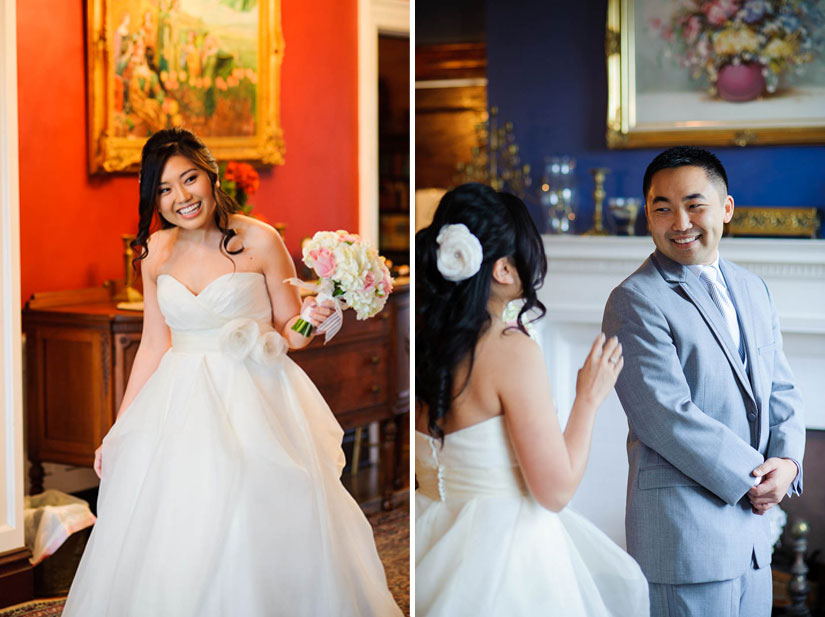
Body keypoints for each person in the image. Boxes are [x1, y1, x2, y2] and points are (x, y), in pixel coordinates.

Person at [62, 128, 402, 617]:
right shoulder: (155, 253)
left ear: (210, 173)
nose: (180, 197)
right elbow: (155, 345)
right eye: (163, 189)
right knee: (177, 522)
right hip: (178, 404)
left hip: (256, 397)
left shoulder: (261, 240)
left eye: (189, 179)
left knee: (251, 511)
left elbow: (290, 331)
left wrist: (322, 313)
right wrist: (118, 431)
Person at [415, 183, 649, 617]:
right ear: (504, 269)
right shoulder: (511, 349)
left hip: (428, 536)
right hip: (504, 557)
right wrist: (589, 397)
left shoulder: (423, 344)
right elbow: (555, 491)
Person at [602, 146, 806, 617]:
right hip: (684, 536)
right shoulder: (634, 299)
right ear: (647, 216)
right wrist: (755, 478)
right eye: (662, 208)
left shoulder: (753, 288)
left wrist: (789, 464)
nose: (680, 222)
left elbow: (781, 390)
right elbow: (663, 416)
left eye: (695, 204)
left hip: (754, 541)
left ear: (726, 209)